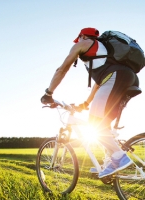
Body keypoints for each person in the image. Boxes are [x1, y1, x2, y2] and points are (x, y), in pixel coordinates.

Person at [41, 27, 139, 178]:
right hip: (128, 78)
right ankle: (110, 161)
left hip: (115, 78)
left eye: (78, 39)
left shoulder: (83, 44)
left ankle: (119, 156)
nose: (78, 42)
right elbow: (99, 84)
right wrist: (86, 104)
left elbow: (62, 69)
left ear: (82, 36)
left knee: (95, 124)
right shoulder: (104, 54)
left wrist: (48, 93)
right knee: (104, 125)